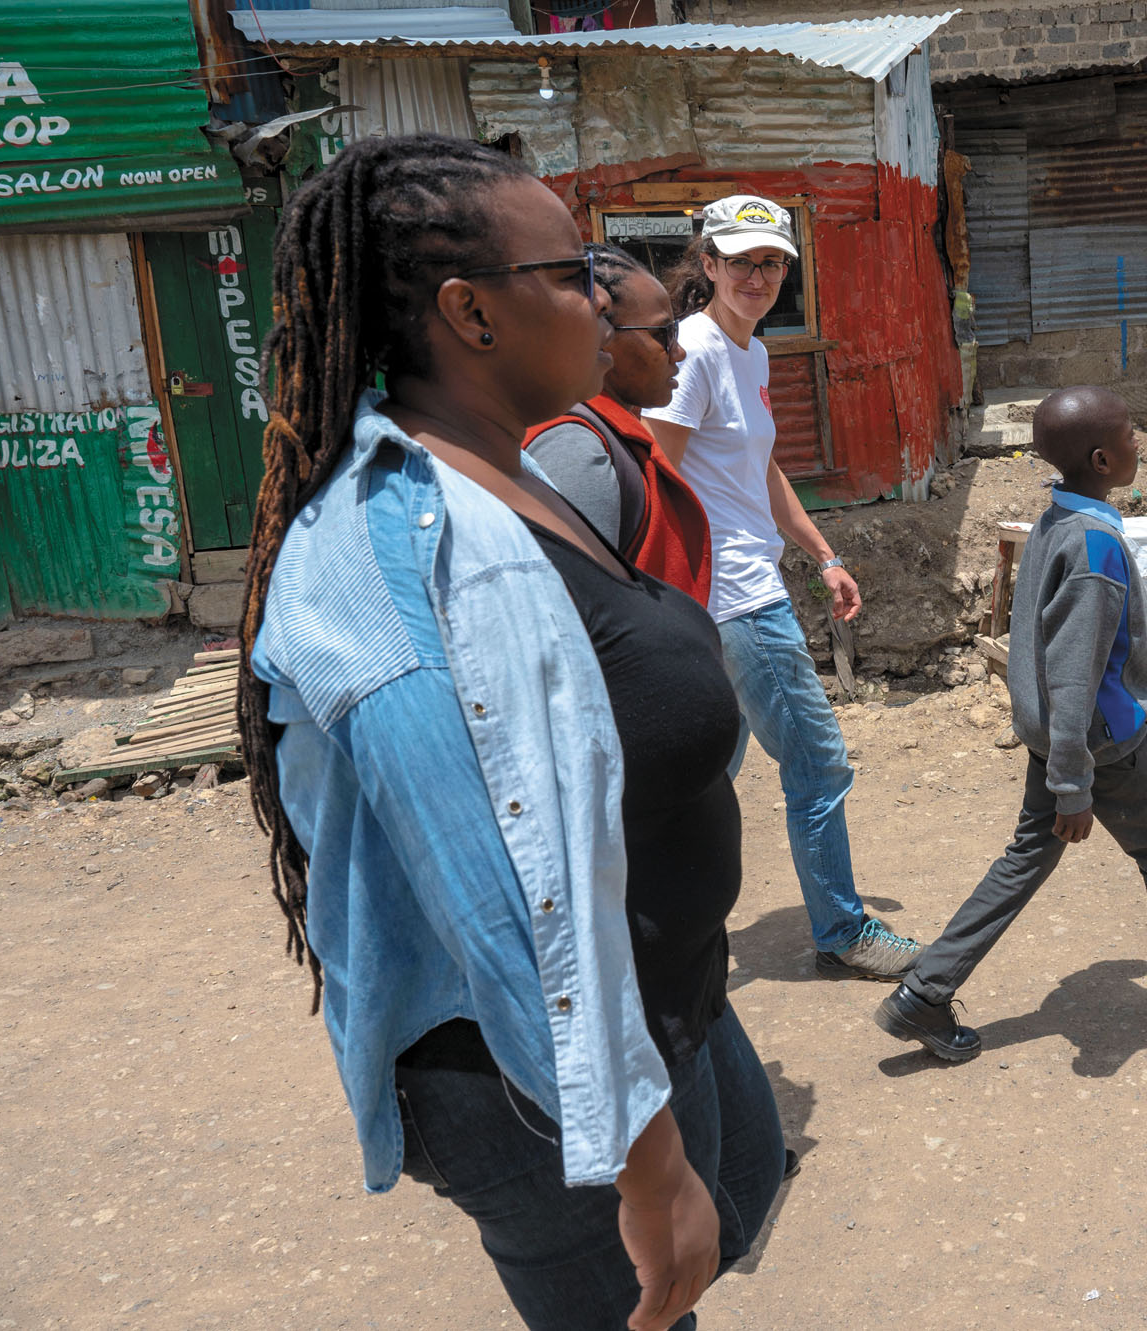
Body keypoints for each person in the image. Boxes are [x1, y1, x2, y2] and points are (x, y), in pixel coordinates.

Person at [237, 133, 783, 1331]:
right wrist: (644, 1158)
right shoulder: (385, 552)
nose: (607, 298)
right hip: (531, 1079)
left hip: (651, 1000)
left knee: (742, 1198)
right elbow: (498, 897)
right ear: (470, 313)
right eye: (573, 272)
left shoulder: (513, 471)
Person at [873, 387, 1147, 1062]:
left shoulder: (1056, 520)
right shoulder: (1096, 547)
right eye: (1131, 435)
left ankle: (923, 991)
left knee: (1025, 859)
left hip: (1063, 738)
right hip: (1095, 746)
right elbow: (1072, 672)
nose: (1139, 442)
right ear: (1103, 459)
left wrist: (1113, 723)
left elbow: (1072, 655)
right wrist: (1073, 785)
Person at [645, 194, 922, 982]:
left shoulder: (751, 353)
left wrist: (824, 553)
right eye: (741, 261)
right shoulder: (694, 351)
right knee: (819, 764)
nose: (757, 276)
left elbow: (759, 466)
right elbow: (655, 474)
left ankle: (657, 929)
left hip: (738, 586)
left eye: (771, 263)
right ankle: (842, 930)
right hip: (731, 597)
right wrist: (670, 601)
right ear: (709, 264)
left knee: (707, 776)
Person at [525, 244, 710, 601]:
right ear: (598, 334)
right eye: (663, 334)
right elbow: (585, 611)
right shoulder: (575, 448)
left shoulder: (611, 431)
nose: (679, 351)